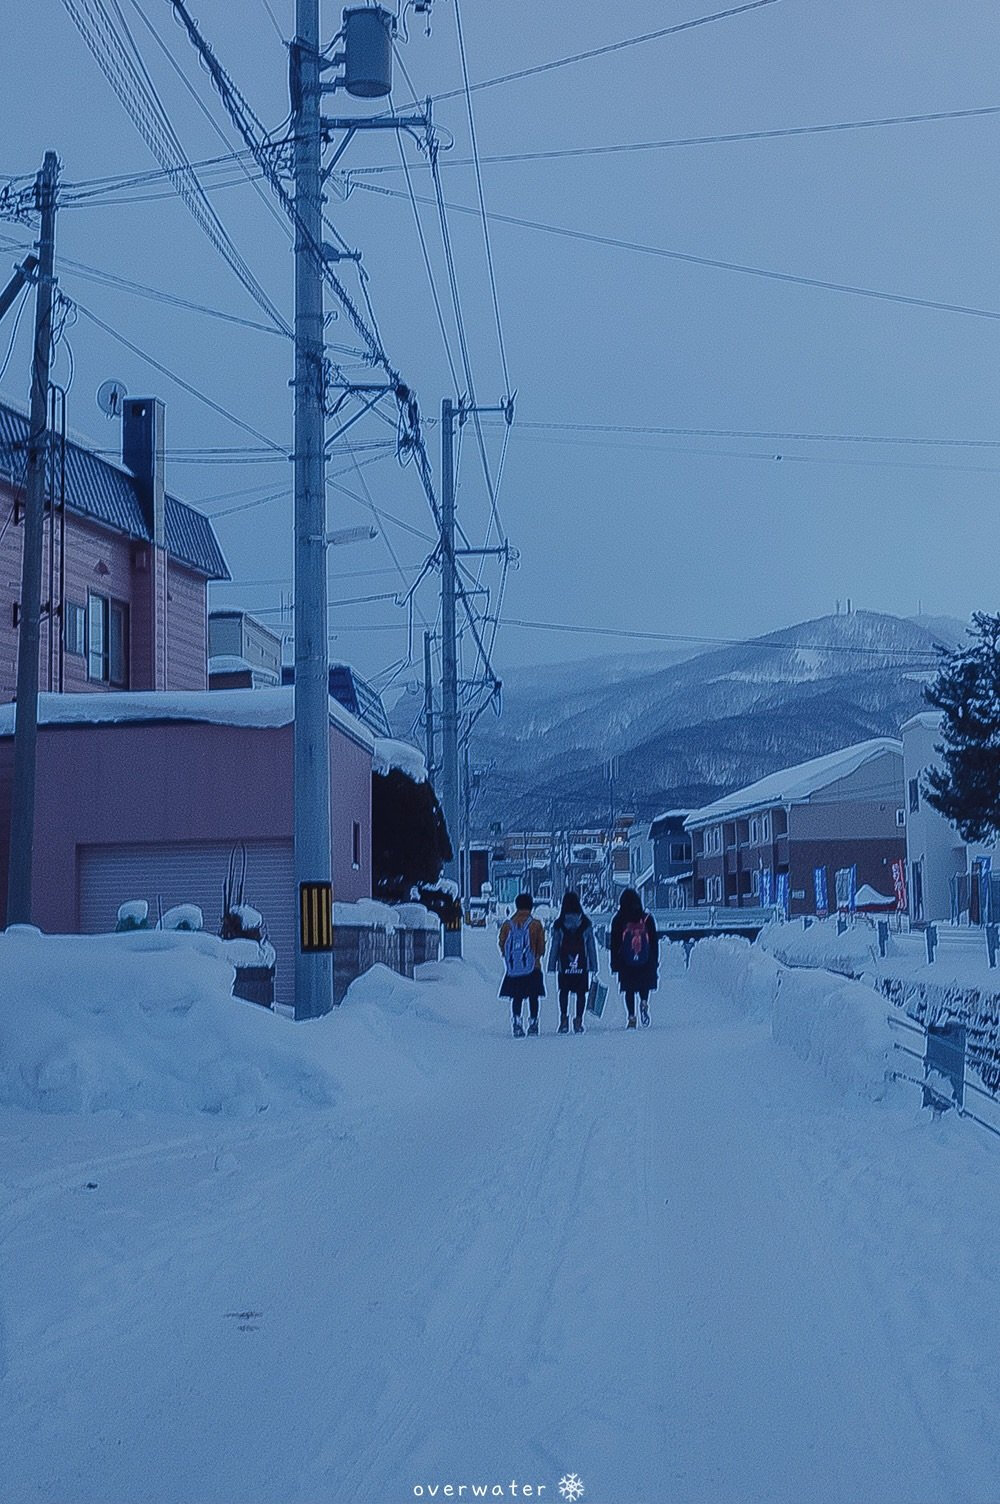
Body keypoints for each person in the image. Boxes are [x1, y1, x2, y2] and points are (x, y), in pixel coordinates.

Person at [547, 890, 598, 1034]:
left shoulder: (559, 924)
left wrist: (552, 965)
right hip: (582, 967)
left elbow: (555, 946)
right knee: (581, 993)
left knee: (564, 992)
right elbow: (591, 947)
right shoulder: (586, 924)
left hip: (564, 967)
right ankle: (578, 1021)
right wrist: (593, 966)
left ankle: (563, 1020)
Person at [609, 886, 659, 1029]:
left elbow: (614, 943)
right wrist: (654, 960)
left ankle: (631, 1016)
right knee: (644, 984)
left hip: (626, 962)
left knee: (629, 989)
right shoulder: (647, 919)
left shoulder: (618, 919)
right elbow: (654, 941)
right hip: (646, 960)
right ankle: (643, 1001)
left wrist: (614, 963)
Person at [498, 893, 546, 1037]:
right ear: (531, 906)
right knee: (533, 996)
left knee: (516, 997)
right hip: (533, 968)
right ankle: (533, 1023)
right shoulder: (536, 924)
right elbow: (541, 948)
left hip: (514, 968)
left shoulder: (508, 925)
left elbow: (502, 944)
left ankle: (517, 1022)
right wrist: (535, 956)